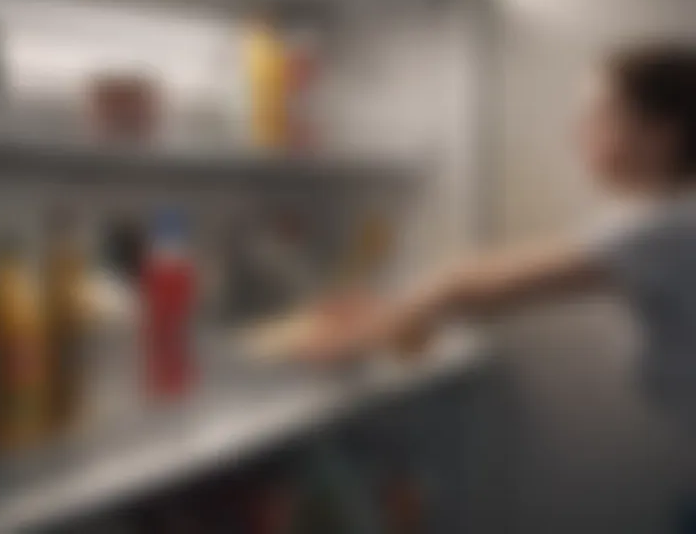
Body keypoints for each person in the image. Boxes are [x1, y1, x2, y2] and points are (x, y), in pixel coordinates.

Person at [295, 40, 696, 531]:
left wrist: (369, 330)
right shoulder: (669, 222)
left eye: (599, 117)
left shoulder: (670, 226)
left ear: (663, 133)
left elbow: (470, 285)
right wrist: (396, 312)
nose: (577, 134)